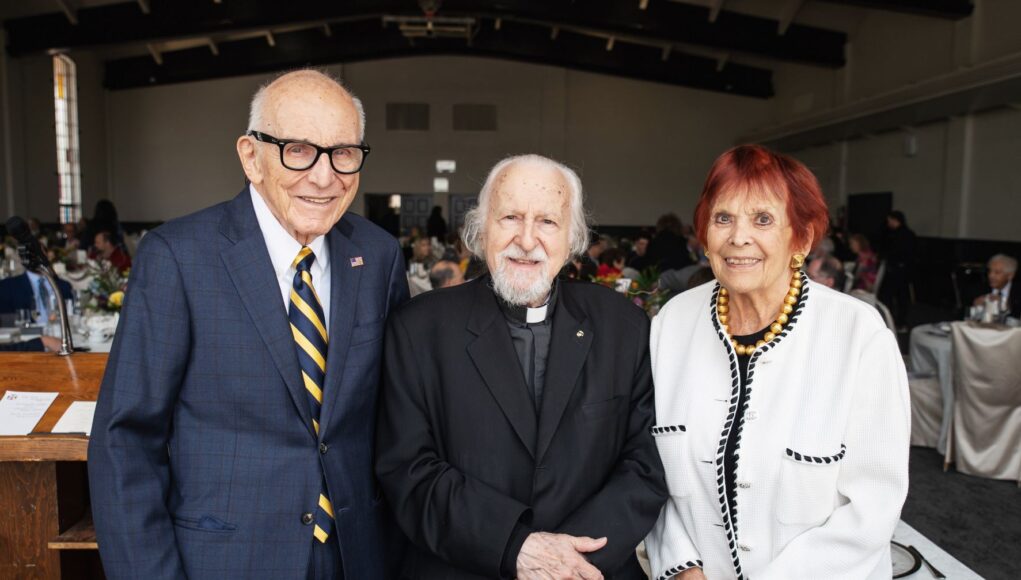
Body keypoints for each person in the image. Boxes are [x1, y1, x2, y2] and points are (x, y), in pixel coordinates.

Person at [88, 69, 409, 580]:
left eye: (343, 152)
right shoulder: (179, 257)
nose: (324, 176)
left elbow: (397, 417)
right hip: (225, 560)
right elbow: (125, 441)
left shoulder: (378, 255)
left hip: (357, 555)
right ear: (250, 156)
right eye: (299, 149)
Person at [376, 154, 667, 580]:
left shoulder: (623, 326)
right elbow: (408, 471)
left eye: (548, 222)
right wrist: (514, 546)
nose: (527, 240)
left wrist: (570, 564)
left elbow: (645, 462)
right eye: (510, 217)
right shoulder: (419, 329)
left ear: (572, 238)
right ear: (480, 231)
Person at [645, 145, 909, 580]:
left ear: (801, 238)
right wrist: (682, 567)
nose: (738, 237)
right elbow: (649, 465)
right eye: (723, 218)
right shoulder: (673, 322)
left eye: (762, 219)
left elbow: (873, 504)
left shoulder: (857, 333)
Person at [879, 210, 915, 327]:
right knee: (900, 297)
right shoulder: (907, 234)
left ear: (895, 220)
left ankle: (894, 321)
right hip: (902, 270)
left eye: (889, 221)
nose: (888, 223)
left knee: (892, 296)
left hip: (898, 270)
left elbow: (897, 253)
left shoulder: (899, 235)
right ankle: (898, 321)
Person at [0, 271, 73, 323]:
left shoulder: (64, 286)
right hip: (27, 340)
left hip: (59, 334)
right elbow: (6, 322)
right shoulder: (7, 286)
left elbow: (72, 315)